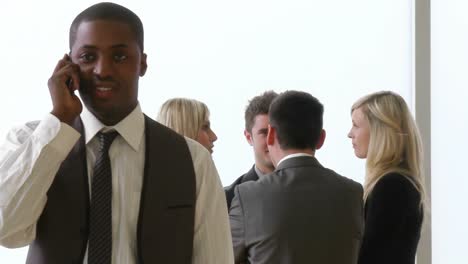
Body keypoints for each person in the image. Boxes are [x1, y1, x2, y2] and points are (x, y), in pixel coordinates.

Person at [0, 2, 233, 264]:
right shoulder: (29, 141)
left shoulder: (193, 161)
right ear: (69, 65)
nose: (103, 70)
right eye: (88, 57)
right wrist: (58, 122)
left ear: (142, 64)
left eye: (119, 57)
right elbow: (6, 230)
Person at [230, 90, 363, 264]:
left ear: (271, 135)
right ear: (321, 139)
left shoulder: (247, 196)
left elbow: (220, 257)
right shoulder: (353, 193)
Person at [348, 91, 425, 264]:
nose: (350, 133)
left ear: (379, 130)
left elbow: (372, 255)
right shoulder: (399, 182)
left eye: (355, 125)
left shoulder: (392, 186)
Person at [224, 91, 278, 210]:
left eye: (277, 131)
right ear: (249, 137)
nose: (272, 139)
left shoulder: (312, 189)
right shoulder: (229, 199)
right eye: (264, 133)